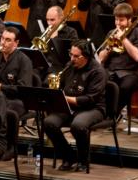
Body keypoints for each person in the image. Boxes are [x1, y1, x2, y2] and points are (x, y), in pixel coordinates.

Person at [44, 39, 107, 172]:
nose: (72, 59)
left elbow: (90, 99)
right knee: (49, 123)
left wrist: (65, 98)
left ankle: (83, 160)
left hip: (93, 108)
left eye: (76, 56)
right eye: (70, 54)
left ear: (86, 57)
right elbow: (61, 86)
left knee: (78, 126)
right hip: (70, 106)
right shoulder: (70, 65)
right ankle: (68, 156)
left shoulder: (98, 72)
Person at [98, 3, 138, 112]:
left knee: (125, 87)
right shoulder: (111, 33)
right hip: (112, 71)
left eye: (121, 20)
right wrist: (108, 48)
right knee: (97, 82)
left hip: (132, 72)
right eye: (116, 20)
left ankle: (113, 115)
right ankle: (101, 113)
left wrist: (124, 39)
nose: (117, 23)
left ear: (130, 19)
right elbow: (100, 59)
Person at [0, 27, 32, 116]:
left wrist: (0, 87)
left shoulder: (24, 61)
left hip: (16, 100)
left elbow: (23, 90)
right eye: (2, 38)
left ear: (16, 43)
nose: (2, 43)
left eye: (8, 40)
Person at [42, 6, 79, 77]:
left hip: (60, 68)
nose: (49, 23)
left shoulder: (71, 32)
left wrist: (55, 39)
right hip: (45, 66)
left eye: (52, 20)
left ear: (61, 18)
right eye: (47, 20)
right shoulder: (45, 32)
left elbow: (68, 57)